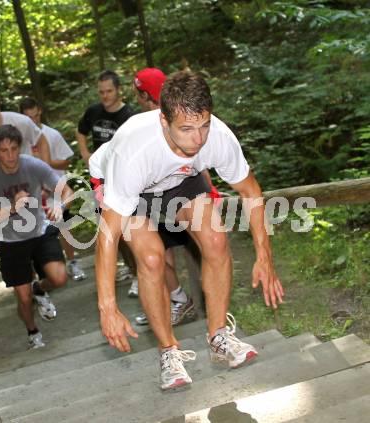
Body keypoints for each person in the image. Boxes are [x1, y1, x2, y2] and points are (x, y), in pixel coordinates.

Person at [89, 71, 284, 390]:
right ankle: (169, 353)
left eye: (204, 125)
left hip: (180, 176)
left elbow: (251, 191)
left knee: (216, 239)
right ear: (163, 120)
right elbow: (107, 236)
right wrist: (107, 307)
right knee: (152, 259)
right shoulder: (135, 150)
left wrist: (265, 255)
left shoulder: (216, 137)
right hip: (129, 185)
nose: (199, 138)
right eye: (187, 128)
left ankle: (220, 338)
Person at [0, 124, 73, 349]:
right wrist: (12, 206)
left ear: (20, 147)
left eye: (14, 149)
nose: (10, 155)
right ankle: (33, 332)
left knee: (59, 278)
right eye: (4, 150)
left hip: (39, 230)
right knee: (23, 298)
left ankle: (38, 288)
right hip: (9, 239)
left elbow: (66, 191)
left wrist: (60, 204)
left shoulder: (33, 165)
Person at [133, 68, 197, 326]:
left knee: (156, 257)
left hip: (168, 198)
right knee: (158, 258)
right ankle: (169, 303)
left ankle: (180, 303)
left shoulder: (161, 121)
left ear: (145, 94)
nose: (135, 98)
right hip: (161, 199)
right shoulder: (171, 115)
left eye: (138, 93)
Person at [76, 70, 137, 294]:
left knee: (129, 229)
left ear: (119, 89)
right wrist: (85, 153)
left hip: (123, 181)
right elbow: (81, 130)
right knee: (110, 230)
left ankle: (140, 273)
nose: (105, 96)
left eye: (109, 91)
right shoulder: (93, 111)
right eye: (101, 92)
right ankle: (131, 268)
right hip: (100, 180)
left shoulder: (129, 116)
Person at [0, 89, 51, 237]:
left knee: (41, 234)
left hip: (29, 185)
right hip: (1, 194)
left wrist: (45, 177)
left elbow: (42, 141)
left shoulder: (20, 121)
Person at [19, 97, 86, 281]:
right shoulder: (20, 140)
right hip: (33, 194)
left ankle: (72, 262)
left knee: (63, 226)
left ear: (40, 112)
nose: (33, 121)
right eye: (28, 118)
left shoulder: (52, 134)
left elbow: (66, 160)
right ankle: (41, 275)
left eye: (35, 116)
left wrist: (47, 162)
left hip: (57, 188)